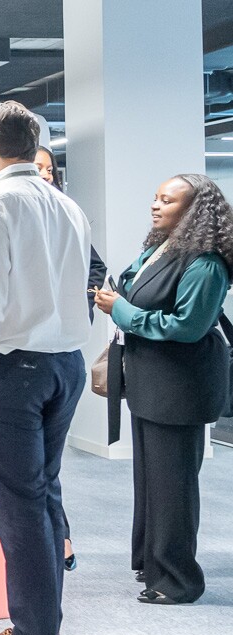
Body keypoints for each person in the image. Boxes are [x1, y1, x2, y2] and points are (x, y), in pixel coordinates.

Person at [0, 101, 91, 635]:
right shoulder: (66, 204)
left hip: (11, 372)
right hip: (65, 365)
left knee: (19, 506)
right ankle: (44, 626)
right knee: (43, 493)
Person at [94, 174, 233, 605]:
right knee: (152, 480)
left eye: (168, 201)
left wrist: (122, 311)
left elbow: (187, 327)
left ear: (193, 210)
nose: (156, 205)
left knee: (173, 486)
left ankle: (179, 581)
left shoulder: (206, 263)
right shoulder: (162, 248)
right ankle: (154, 565)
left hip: (181, 385)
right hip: (152, 379)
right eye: (155, 198)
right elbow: (135, 287)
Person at [33, 145, 108, 571]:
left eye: (49, 169)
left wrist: (81, 303)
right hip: (28, 350)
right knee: (39, 463)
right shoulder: (13, 214)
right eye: (37, 167)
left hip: (60, 351)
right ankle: (55, 537)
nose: (44, 174)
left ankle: (58, 537)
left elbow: (96, 268)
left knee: (46, 462)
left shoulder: (68, 216)